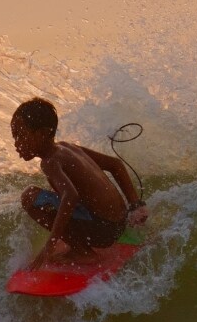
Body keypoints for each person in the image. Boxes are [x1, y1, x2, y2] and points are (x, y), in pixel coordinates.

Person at [11, 98, 148, 259]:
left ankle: (83, 253)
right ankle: (81, 241)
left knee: (29, 196)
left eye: (20, 135)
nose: (16, 143)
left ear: (42, 134)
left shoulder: (50, 162)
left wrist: (50, 244)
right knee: (51, 196)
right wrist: (135, 205)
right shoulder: (67, 147)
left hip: (104, 231)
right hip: (120, 223)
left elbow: (70, 196)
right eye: (14, 136)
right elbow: (115, 164)